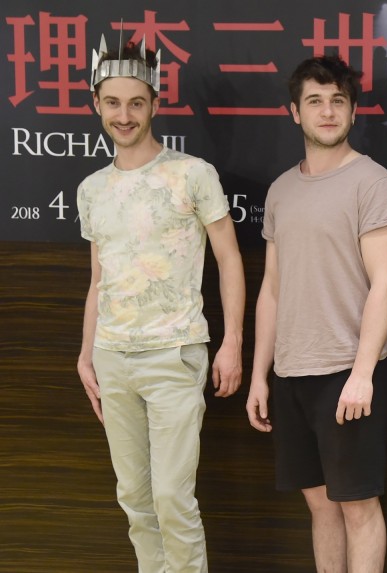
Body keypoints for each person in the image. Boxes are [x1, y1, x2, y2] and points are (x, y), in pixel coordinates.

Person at [76, 34, 245, 573]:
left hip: (174, 354)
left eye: (135, 103)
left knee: (173, 497)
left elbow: (229, 259)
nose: (124, 116)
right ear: (96, 104)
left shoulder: (192, 174)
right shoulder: (92, 189)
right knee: (134, 499)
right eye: (113, 103)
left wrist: (232, 343)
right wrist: (86, 354)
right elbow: (99, 279)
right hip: (112, 357)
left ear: (154, 103)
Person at [246, 55, 387, 572]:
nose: (328, 111)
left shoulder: (374, 183)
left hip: (349, 372)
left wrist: (362, 374)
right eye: (315, 101)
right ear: (295, 112)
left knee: (358, 506)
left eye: (338, 100)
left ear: (354, 110)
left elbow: (386, 284)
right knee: (319, 505)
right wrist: (259, 376)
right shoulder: (281, 190)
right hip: (292, 372)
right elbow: (272, 290)